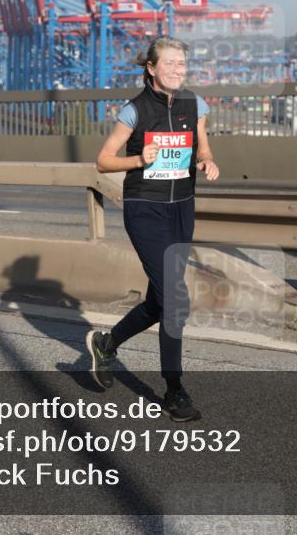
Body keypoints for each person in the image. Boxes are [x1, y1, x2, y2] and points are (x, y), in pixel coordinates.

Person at [88, 36, 219, 422]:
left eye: (182, 63)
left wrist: (207, 160)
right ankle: (174, 388)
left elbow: (203, 145)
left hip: (182, 209)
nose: (178, 70)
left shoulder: (196, 104)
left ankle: (107, 344)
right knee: (176, 299)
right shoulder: (134, 111)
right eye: (171, 64)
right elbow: (103, 162)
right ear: (151, 68)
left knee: (161, 300)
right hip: (145, 210)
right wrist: (138, 158)